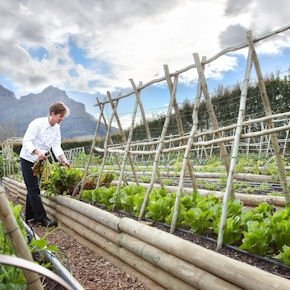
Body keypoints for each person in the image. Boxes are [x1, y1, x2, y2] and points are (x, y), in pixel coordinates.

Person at [20, 101, 70, 227]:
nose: (62, 119)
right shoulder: (37, 123)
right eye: (60, 116)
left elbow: (56, 146)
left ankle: (29, 217)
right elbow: (26, 141)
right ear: (53, 114)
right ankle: (41, 218)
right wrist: (37, 152)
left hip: (41, 160)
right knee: (34, 189)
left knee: (33, 188)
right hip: (28, 159)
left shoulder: (57, 128)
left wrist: (63, 159)